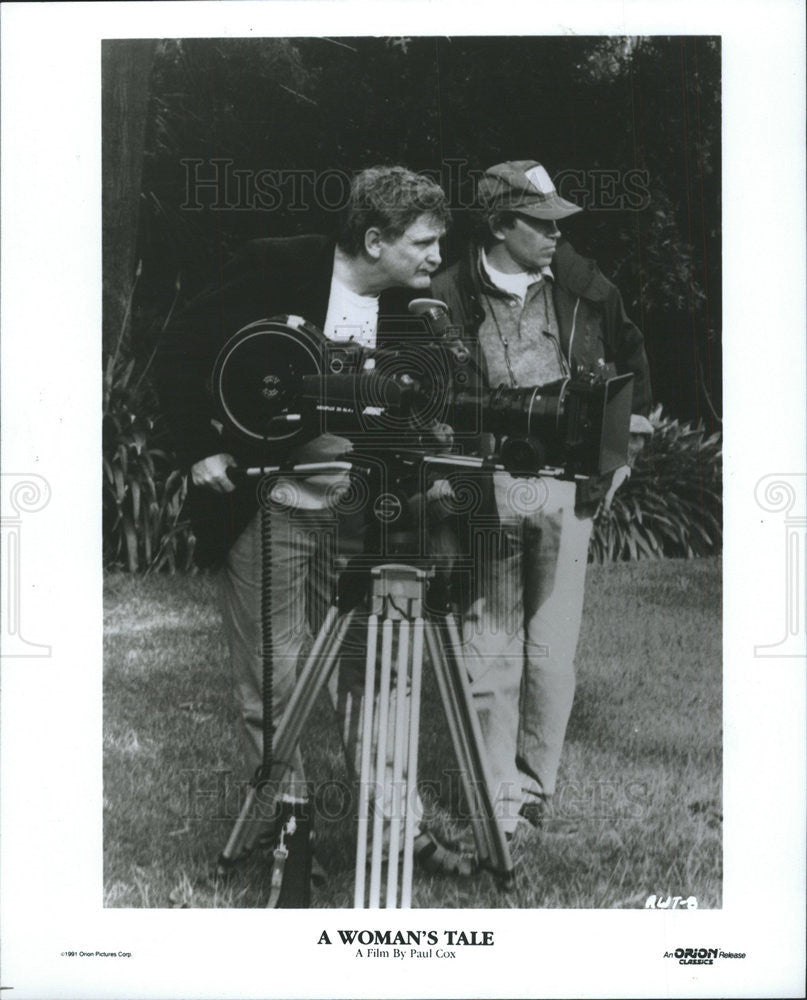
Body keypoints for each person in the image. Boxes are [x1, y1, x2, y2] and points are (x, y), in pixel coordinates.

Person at [157, 165, 472, 876]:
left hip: (356, 517)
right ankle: (286, 833)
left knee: (371, 673)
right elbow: (178, 350)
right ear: (372, 239)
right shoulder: (276, 267)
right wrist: (199, 447)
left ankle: (397, 827)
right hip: (270, 506)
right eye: (422, 242)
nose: (434, 258)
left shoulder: (405, 310)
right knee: (274, 675)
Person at [431, 159, 653, 837]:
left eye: (559, 221)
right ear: (499, 225)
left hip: (567, 489)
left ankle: (533, 787)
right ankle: (491, 791)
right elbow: (424, 396)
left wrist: (622, 449)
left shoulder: (586, 286)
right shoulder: (443, 295)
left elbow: (632, 374)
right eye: (540, 222)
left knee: (552, 644)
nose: (556, 234)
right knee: (490, 641)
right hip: (487, 485)